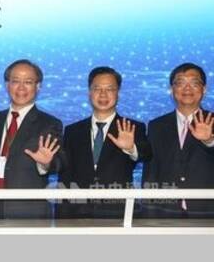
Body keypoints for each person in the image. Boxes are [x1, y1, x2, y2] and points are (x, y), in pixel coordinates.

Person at [0, 59, 63, 220]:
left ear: (38, 86)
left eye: (28, 82)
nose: (21, 87)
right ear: (7, 85)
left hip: (28, 208)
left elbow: (59, 163)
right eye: (15, 81)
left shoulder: (49, 123)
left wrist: (45, 163)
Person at [58, 66, 151, 218]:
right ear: (89, 92)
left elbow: (147, 154)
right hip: (77, 213)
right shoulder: (72, 131)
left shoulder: (132, 127)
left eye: (109, 89)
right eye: (97, 89)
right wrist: (62, 214)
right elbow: (66, 175)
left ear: (118, 93)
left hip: (118, 211)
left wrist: (131, 148)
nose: (103, 94)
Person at [142, 62, 214, 218]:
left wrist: (209, 141)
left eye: (194, 83)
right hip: (166, 213)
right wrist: (148, 215)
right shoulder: (156, 126)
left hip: (208, 213)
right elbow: (151, 173)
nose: (187, 88)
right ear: (171, 89)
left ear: (204, 89)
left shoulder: (212, 121)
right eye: (180, 83)